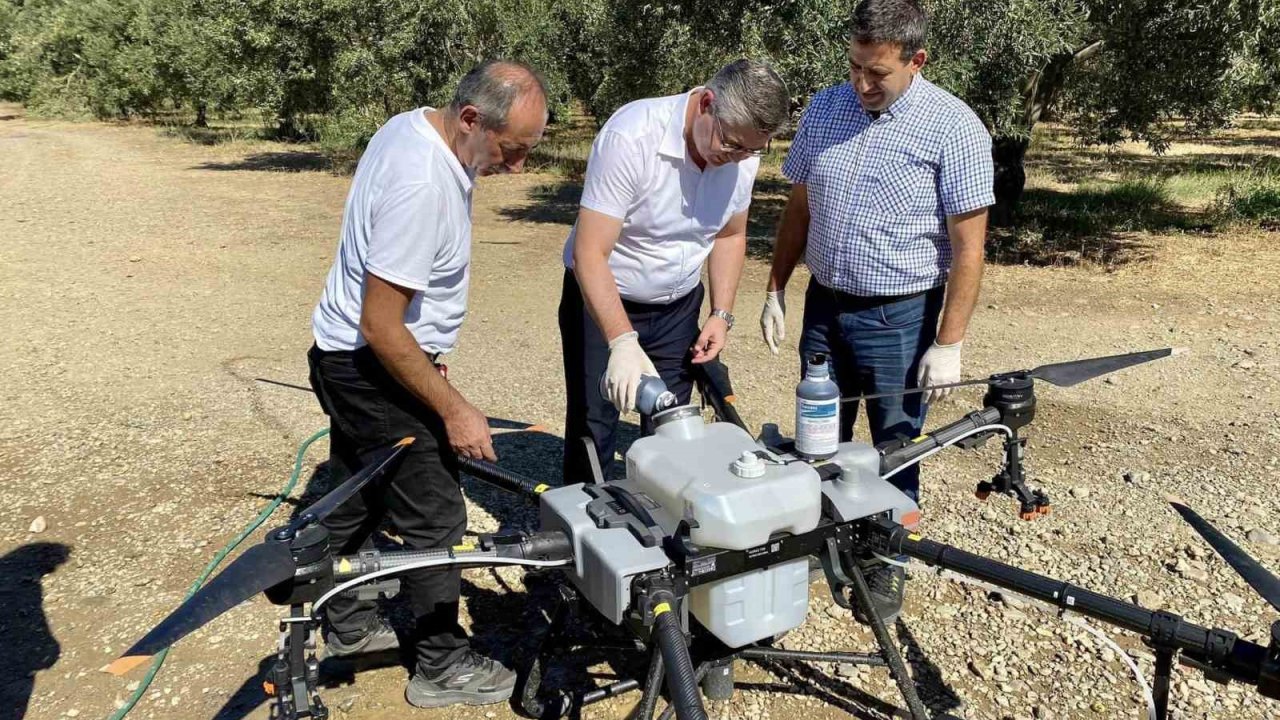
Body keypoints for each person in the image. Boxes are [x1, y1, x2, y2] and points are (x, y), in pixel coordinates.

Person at [306, 60, 547, 708]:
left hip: (352, 357)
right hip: (370, 366)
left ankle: (346, 618)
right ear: (471, 119)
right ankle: (442, 666)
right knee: (435, 512)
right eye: (512, 150)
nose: (517, 168)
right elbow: (383, 327)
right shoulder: (424, 184)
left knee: (358, 490)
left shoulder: (414, 128)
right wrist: (455, 409)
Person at [759, 0, 994, 622]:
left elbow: (970, 245)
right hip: (826, 305)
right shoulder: (826, 108)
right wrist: (775, 287)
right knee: (818, 436)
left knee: (896, 446)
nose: (862, 84)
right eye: (856, 67)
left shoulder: (954, 127)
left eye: (878, 74)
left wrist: (949, 342)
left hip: (901, 316)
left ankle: (886, 560)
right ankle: (818, 539)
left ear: (916, 61)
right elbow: (799, 207)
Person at [559, 59, 790, 482]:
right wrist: (622, 342)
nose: (736, 158)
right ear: (706, 103)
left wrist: (722, 313)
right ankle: (584, 533)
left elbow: (729, 235)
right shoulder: (631, 136)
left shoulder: (741, 157)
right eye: (731, 144)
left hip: (679, 307)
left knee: (674, 425)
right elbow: (589, 254)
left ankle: (666, 530)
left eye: (750, 151)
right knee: (595, 423)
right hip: (603, 302)